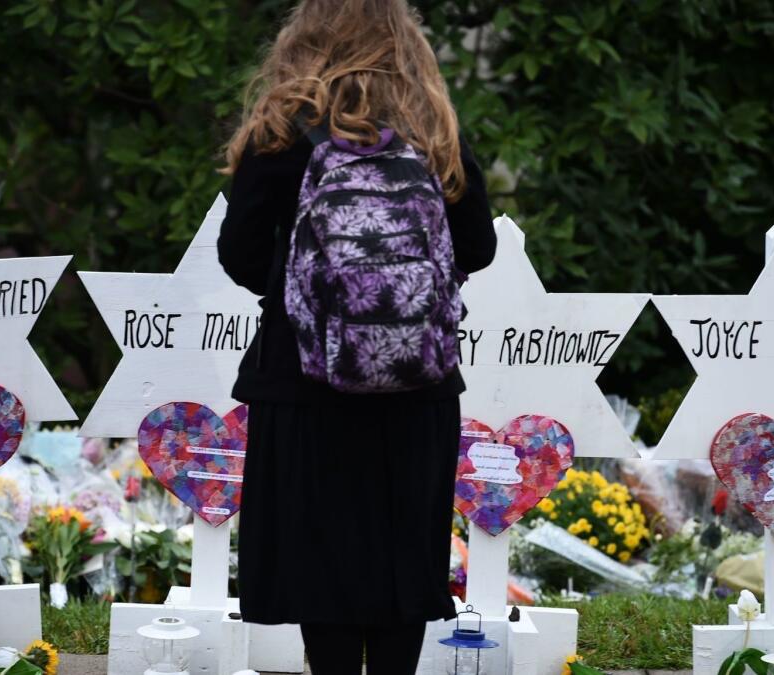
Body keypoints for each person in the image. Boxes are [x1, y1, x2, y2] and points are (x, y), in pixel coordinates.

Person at [217, 0, 496, 672]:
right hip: (417, 386)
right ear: (406, 44)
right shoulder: (431, 134)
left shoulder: (283, 133)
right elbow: (479, 245)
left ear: (304, 39)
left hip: (304, 384)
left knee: (325, 575)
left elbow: (239, 254)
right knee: (403, 572)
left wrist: (316, 291)